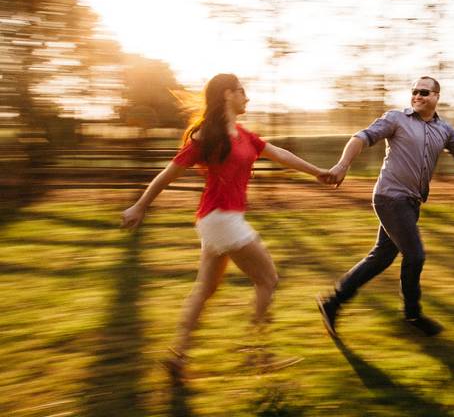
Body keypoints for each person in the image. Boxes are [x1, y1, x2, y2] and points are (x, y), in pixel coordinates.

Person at [121, 73, 330, 379]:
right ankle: (256, 353)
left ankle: (178, 355)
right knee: (268, 279)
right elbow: (168, 174)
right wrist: (140, 205)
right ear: (227, 95)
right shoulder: (207, 136)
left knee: (205, 289)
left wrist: (317, 172)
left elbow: (280, 155)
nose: (247, 97)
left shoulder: (244, 135)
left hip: (217, 220)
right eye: (242, 91)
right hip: (221, 218)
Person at [316, 76, 454, 338]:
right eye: (414, 92)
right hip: (390, 197)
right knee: (415, 255)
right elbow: (361, 137)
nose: (417, 96)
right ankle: (413, 314)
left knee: (382, 257)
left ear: (436, 96)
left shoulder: (444, 130)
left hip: (411, 202)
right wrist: (343, 165)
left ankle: (333, 302)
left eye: (424, 92)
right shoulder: (396, 119)